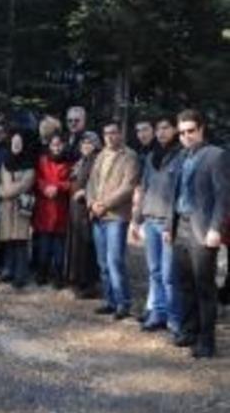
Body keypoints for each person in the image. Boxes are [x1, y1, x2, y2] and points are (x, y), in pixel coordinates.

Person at [163, 109, 229, 359]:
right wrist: (170, 227)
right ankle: (189, 332)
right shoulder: (181, 156)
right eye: (181, 132)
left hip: (203, 229)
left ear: (201, 129)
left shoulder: (216, 156)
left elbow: (223, 197)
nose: (186, 136)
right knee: (184, 284)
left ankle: (207, 342)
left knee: (204, 288)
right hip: (181, 227)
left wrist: (215, 229)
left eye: (191, 131)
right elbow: (174, 195)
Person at [130, 116, 182, 333]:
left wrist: (172, 225)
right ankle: (157, 313)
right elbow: (143, 189)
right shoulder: (151, 156)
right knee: (155, 271)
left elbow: (180, 194)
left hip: (168, 223)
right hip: (150, 220)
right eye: (158, 128)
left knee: (170, 275)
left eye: (166, 128)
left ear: (175, 130)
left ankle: (174, 319)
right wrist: (136, 220)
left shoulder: (180, 156)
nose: (161, 133)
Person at [86, 120, 139, 320]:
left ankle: (123, 303)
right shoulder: (101, 155)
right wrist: (92, 203)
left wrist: (105, 204)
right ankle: (109, 301)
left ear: (121, 134)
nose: (109, 136)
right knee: (102, 262)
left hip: (116, 216)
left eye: (113, 132)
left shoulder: (130, 156)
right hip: (97, 215)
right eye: (106, 133)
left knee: (115, 260)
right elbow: (91, 182)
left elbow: (128, 186)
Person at [0, 132, 35, 288]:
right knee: (9, 240)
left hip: (21, 207)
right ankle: (8, 271)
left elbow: (25, 184)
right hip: (6, 207)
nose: (16, 145)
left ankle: (21, 275)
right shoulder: (5, 162)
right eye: (14, 142)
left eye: (19, 142)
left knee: (20, 241)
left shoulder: (29, 164)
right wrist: (1, 190)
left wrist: (5, 192)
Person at [64, 132, 102, 298]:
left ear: (95, 144)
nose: (86, 146)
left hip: (86, 208)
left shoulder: (96, 161)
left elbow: (100, 184)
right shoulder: (81, 161)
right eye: (83, 143)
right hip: (75, 208)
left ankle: (88, 284)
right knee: (76, 244)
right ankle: (77, 280)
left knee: (86, 247)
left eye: (89, 143)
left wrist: (85, 193)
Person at [33, 134, 72, 288]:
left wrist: (59, 187)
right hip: (44, 209)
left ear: (63, 145)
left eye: (59, 145)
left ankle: (58, 277)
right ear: (49, 146)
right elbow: (37, 179)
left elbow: (72, 182)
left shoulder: (69, 163)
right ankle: (42, 273)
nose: (56, 148)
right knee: (44, 247)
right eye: (53, 145)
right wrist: (44, 187)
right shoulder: (42, 161)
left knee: (59, 249)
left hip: (61, 210)